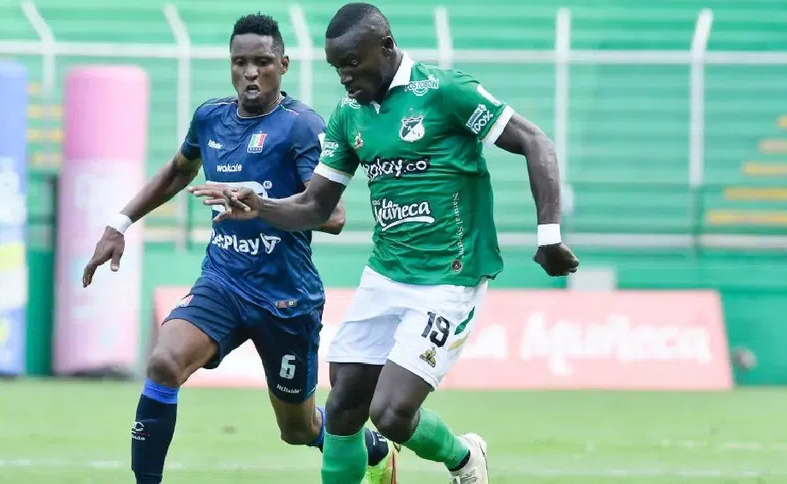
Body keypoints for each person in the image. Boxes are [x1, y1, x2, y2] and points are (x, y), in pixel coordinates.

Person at [209, 3, 581, 484]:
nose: (344, 76)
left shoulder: (445, 92)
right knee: (342, 405)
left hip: (449, 278)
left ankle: (465, 458)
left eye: (352, 63)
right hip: (385, 275)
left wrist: (549, 235)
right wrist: (260, 206)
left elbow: (535, 142)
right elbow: (316, 206)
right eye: (336, 67)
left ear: (385, 47)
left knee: (388, 413)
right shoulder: (349, 115)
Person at [81, 12, 399, 484]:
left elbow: (332, 216)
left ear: (283, 65)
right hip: (224, 282)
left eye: (263, 62)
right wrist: (119, 223)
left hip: (286, 297)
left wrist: (259, 204)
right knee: (164, 362)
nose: (251, 72)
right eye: (240, 62)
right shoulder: (210, 118)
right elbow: (177, 172)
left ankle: (371, 448)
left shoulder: (301, 127)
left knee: (297, 429)